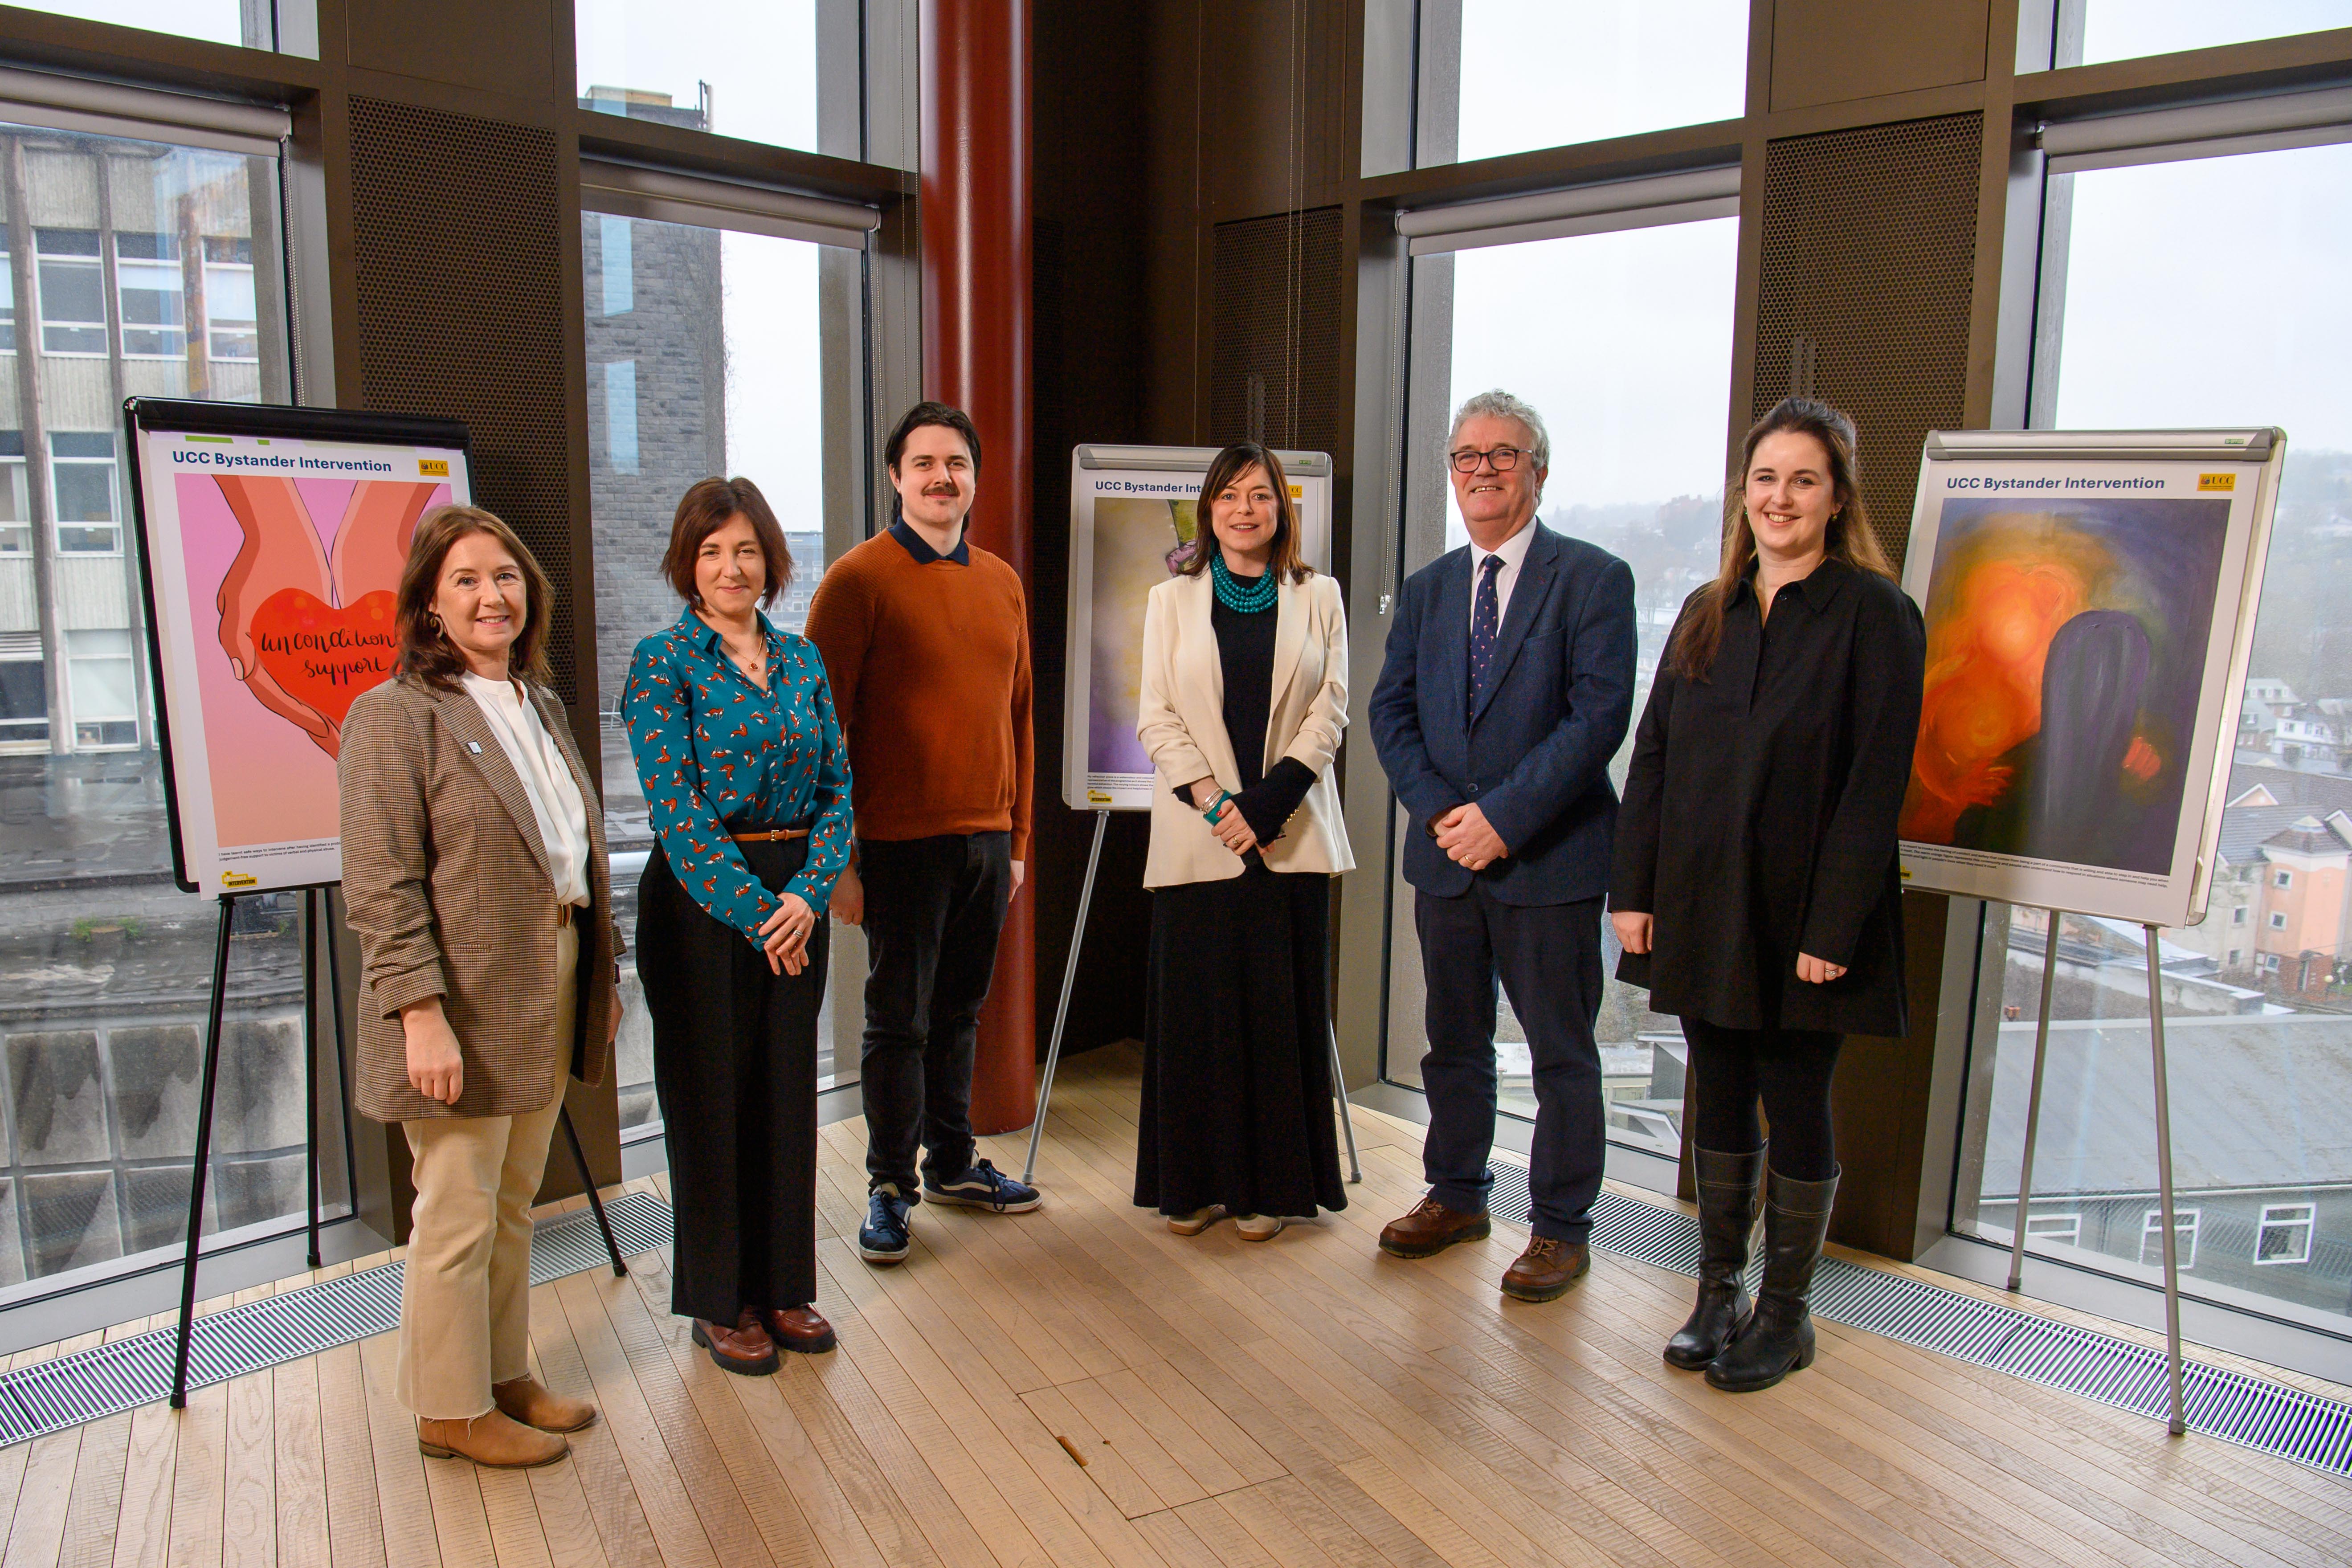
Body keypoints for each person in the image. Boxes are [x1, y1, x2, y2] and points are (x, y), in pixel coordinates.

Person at [1609, 396, 1924, 1393]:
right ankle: (1717, 1294)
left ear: (1837, 498)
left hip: (1807, 916)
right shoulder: (1710, 611)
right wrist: (1635, 888)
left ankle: (1786, 1317)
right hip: (1703, 899)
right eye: (1765, 479)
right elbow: (1652, 757)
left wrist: (1836, 924)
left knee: (1796, 1095)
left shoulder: (1877, 613)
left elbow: (1878, 782)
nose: (1780, 497)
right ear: (1743, 496)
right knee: (1720, 1085)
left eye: (1803, 479)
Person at [341, 505, 620, 1468]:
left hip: (551, 973)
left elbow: (565, 853)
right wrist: (421, 1014)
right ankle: (447, 1408)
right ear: (427, 607)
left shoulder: (536, 704)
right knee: (456, 1208)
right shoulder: (393, 717)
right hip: (457, 1001)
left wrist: (597, 973)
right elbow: (382, 887)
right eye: (464, 579)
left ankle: (501, 1377)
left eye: (504, 575)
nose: (491, 594)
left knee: (511, 1201)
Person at [1367, 389, 1635, 1302]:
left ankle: (1561, 1228)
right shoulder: (1433, 586)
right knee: (1453, 1039)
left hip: (1548, 858)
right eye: (1467, 456)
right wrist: (1448, 812)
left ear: (1539, 470)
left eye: (1503, 454)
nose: (1483, 469)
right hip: (1446, 857)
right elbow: (1390, 711)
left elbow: (1597, 717)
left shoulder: (1594, 580)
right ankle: (1457, 1192)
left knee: (1561, 1051)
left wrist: (1504, 819)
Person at [623, 477, 853, 1373]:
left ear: (770, 560)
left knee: (787, 1093)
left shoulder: (803, 661)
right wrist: (762, 911)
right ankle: (721, 1299)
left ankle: (785, 1283)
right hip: (702, 902)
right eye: (713, 550)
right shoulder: (663, 660)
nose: (731, 565)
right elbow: (675, 807)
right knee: (711, 1099)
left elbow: (839, 786)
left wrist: (807, 893)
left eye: (747, 549)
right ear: (688, 562)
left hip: (797, 894)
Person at [806, 401, 1041, 1265]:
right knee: (897, 1020)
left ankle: (951, 1162)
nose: (943, 478)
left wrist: (1018, 844)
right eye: (926, 463)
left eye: (958, 463)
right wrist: (838, 863)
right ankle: (888, 1185)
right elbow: (818, 730)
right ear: (897, 476)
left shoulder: (1001, 580)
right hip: (895, 844)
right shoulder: (857, 580)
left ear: (974, 478)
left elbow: (1019, 717)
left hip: (986, 839)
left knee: (960, 1013)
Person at [1133, 443, 1355, 1241]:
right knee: (1197, 1014)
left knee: (1276, 1013)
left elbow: (1332, 707)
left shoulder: (1319, 593)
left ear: (1281, 508)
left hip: (1287, 835)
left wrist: (1268, 804)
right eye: (1229, 496)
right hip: (1201, 836)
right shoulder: (1171, 600)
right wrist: (1219, 804)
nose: (1244, 509)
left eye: (1260, 495)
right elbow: (1155, 714)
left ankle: (1270, 1188)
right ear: (1209, 508)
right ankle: (1193, 1184)